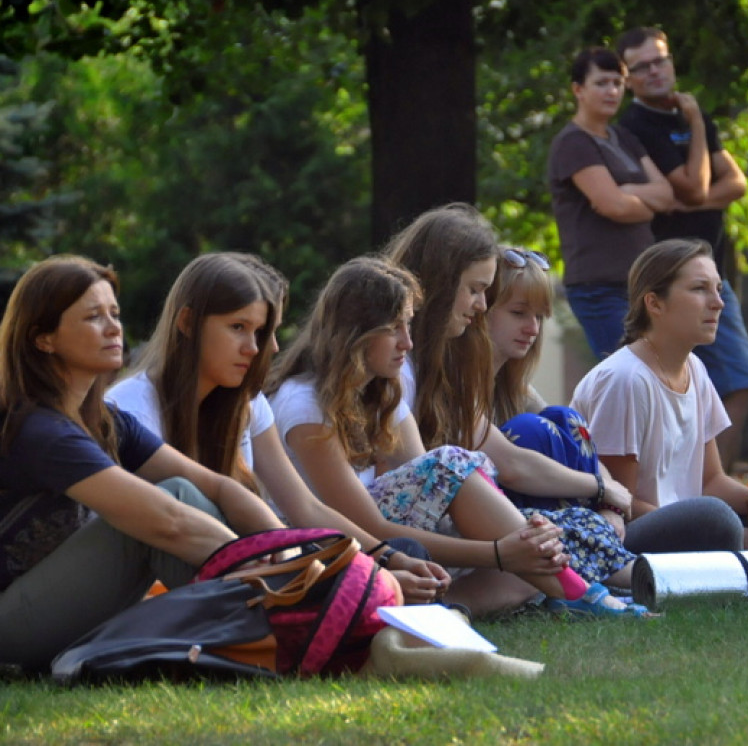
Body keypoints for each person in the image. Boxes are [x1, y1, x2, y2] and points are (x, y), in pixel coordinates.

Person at [266, 255, 647, 618]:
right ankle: (580, 592)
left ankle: (466, 606)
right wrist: (498, 552)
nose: (407, 343)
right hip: (342, 544)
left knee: (550, 547)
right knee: (454, 465)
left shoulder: (382, 389)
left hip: (394, 538)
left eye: (409, 326)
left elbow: (421, 480)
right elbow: (372, 521)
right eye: (393, 328)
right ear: (355, 332)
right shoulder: (304, 404)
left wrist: (520, 537)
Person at [107, 252, 450, 604]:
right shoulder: (131, 408)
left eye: (261, 331)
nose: (261, 348)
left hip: (251, 559)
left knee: (404, 549)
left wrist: (389, 557)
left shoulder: (246, 402)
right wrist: (372, 573)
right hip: (181, 583)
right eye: (239, 328)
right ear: (187, 323)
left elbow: (305, 508)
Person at [0, 255, 288, 671]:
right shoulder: (39, 431)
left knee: (186, 490)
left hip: (62, 602)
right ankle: (283, 632)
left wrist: (292, 554)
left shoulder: (107, 422)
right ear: (43, 338)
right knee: (161, 508)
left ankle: (288, 623)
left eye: (114, 312)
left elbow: (219, 487)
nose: (114, 327)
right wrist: (249, 564)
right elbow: (166, 519)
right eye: (93, 317)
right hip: (12, 627)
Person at [570, 239, 748, 552]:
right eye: (700, 289)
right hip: (629, 532)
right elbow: (618, 500)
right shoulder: (624, 379)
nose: (718, 303)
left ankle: (746, 555)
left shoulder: (695, 369)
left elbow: (711, 480)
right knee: (715, 517)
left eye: (717, 289)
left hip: (695, 523)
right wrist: (706, 528)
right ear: (655, 303)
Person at [616, 27, 748, 472]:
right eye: (641, 67)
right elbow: (696, 187)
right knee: (708, 379)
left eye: (660, 60)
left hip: (713, 269)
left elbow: (736, 183)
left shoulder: (691, 115)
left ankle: (712, 481)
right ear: (628, 78)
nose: (654, 72)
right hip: (674, 276)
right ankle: (698, 486)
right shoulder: (636, 127)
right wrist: (697, 124)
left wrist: (697, 194)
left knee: (738, 380)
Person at [486, 245, 637, 588]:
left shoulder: (513, 386)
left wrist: (607, 502)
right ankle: (608, 564)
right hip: (504, 528)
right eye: (519, 312)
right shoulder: (456, 386)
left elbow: (583, 446)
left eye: (539, 316)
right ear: (481, 309)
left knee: (564, 418)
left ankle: (602, 547)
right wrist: (603, 489)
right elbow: (512, 465)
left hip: (573, 519)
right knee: (530, 430)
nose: (533, 328)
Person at [547, 46, 673, 362]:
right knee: (629, 374)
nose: (612, 91)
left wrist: (628, 190)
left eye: (618, 82)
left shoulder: (624, 138)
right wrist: (647, 204)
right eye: (602, 83)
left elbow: (667, 194)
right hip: (599, 288)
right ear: (578, 89)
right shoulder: (573, 142)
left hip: (640, 284)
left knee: (651, 375)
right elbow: (612, 205)